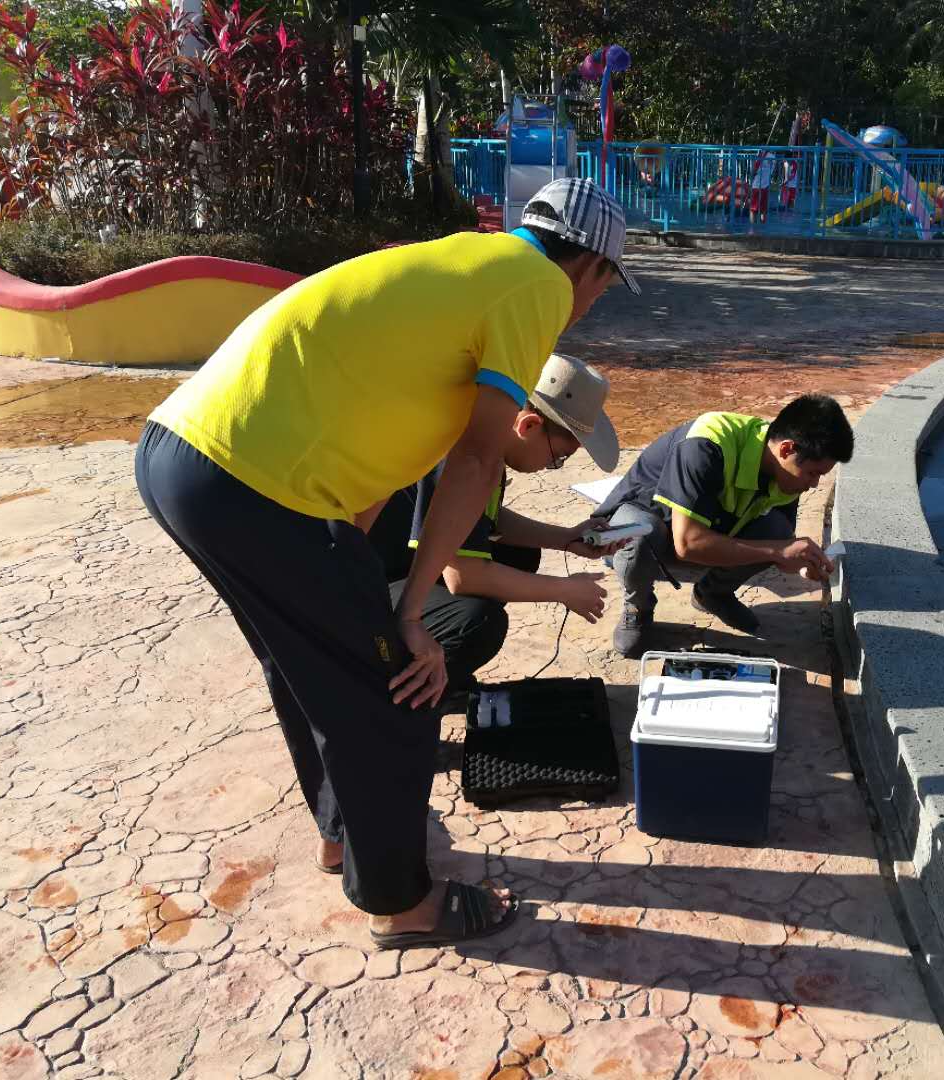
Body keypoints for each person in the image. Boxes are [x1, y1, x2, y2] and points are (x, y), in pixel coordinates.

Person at [133, 177, 637, 950]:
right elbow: (475, 462)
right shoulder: (537, 285)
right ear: (591, 266)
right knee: (399, 688)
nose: (594, 303)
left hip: (185, 455)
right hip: (251, 480)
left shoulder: (466, 267)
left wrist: (372, 589)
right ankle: (403, 905)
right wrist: (408, 615)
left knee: (308, 665)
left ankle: (345, 837)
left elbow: (374, 467)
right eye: (605, 286)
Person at [371, 354, 626, 695]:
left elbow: (484, 520)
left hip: (402, 563)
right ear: (529, 426)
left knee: (520, 555)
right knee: (479, 622)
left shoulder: (486, 440)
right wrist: (564, 590)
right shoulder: (463, 454)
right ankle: (404, 695)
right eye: (557, 458)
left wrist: (566, 538)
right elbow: (463, 577)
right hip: (368, 586)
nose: (553, 466)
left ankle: (448, 664)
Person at [594, 394, 855, 658]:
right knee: (637, 537)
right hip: (644, 530)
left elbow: (780, 542)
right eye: (812, 473)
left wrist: (798, 563)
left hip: (703, 529)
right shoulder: (706, 445)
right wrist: (777, 552)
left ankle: (713, 593)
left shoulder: (781, 468)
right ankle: (638, 608)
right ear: (787, 449)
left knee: (778, 532)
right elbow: (688, 545)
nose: (814, 485)